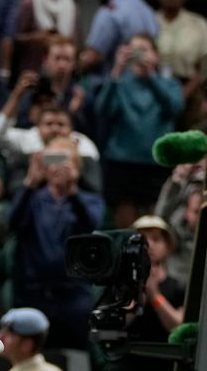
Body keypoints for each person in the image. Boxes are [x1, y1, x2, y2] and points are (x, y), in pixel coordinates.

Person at [9, 137, 104, 349]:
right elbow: (12, 224)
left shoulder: (89, 200)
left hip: (73, 297)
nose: (59, 167)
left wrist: (73, 192)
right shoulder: (32, 198)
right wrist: (29, 183)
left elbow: (90, 226)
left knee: (76, 358)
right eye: (54, 160)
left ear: (77, 167)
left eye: (65, 160)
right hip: (33, 294)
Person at [95, 34, 184, 229]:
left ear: (156, 55)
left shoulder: (169, 84)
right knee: (126, 230)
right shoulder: (120, 84)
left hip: (156, 165)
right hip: (122, 164)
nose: (138, 55)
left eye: (144, 49)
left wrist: (151, 77)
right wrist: (116, 71)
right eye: (133, 50)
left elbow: (175, 108)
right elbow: (102, 110)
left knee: (156, 226)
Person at [123, 215, 185, 371]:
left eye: (156, 239)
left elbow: (179, 327)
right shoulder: (122, 285)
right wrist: (138, 298)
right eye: (142, 240)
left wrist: (155, 295)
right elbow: (115, 325)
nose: (149, 245)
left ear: (168, 246)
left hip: (166, 364)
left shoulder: (177, 287)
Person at [155, 0, 207, 130]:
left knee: (189, 135)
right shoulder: (150, 21)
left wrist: (185, 92)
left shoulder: (198, 24)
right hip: (156, 87)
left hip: (189, 87)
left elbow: (203, 64)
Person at [13, 0, 79, 75]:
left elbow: (76, 40)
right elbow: (15, 39)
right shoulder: (29, 3)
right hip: (33, 70)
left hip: (62, 74)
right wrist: (36, 38)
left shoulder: (71, 5)